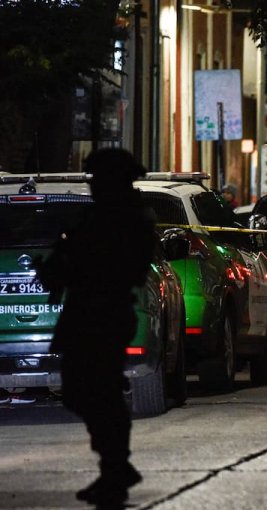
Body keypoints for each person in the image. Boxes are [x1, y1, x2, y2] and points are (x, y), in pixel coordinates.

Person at [35, 148, 157, 506]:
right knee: (83, 391)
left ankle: (115, 467)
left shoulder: (125, 220)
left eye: (99, 178)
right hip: (88, 313)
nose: (94, 186)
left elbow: (115, 266)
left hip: (104, 314)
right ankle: (115, 465)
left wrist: (75, 260)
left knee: (97, 391)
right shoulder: (97, 217)